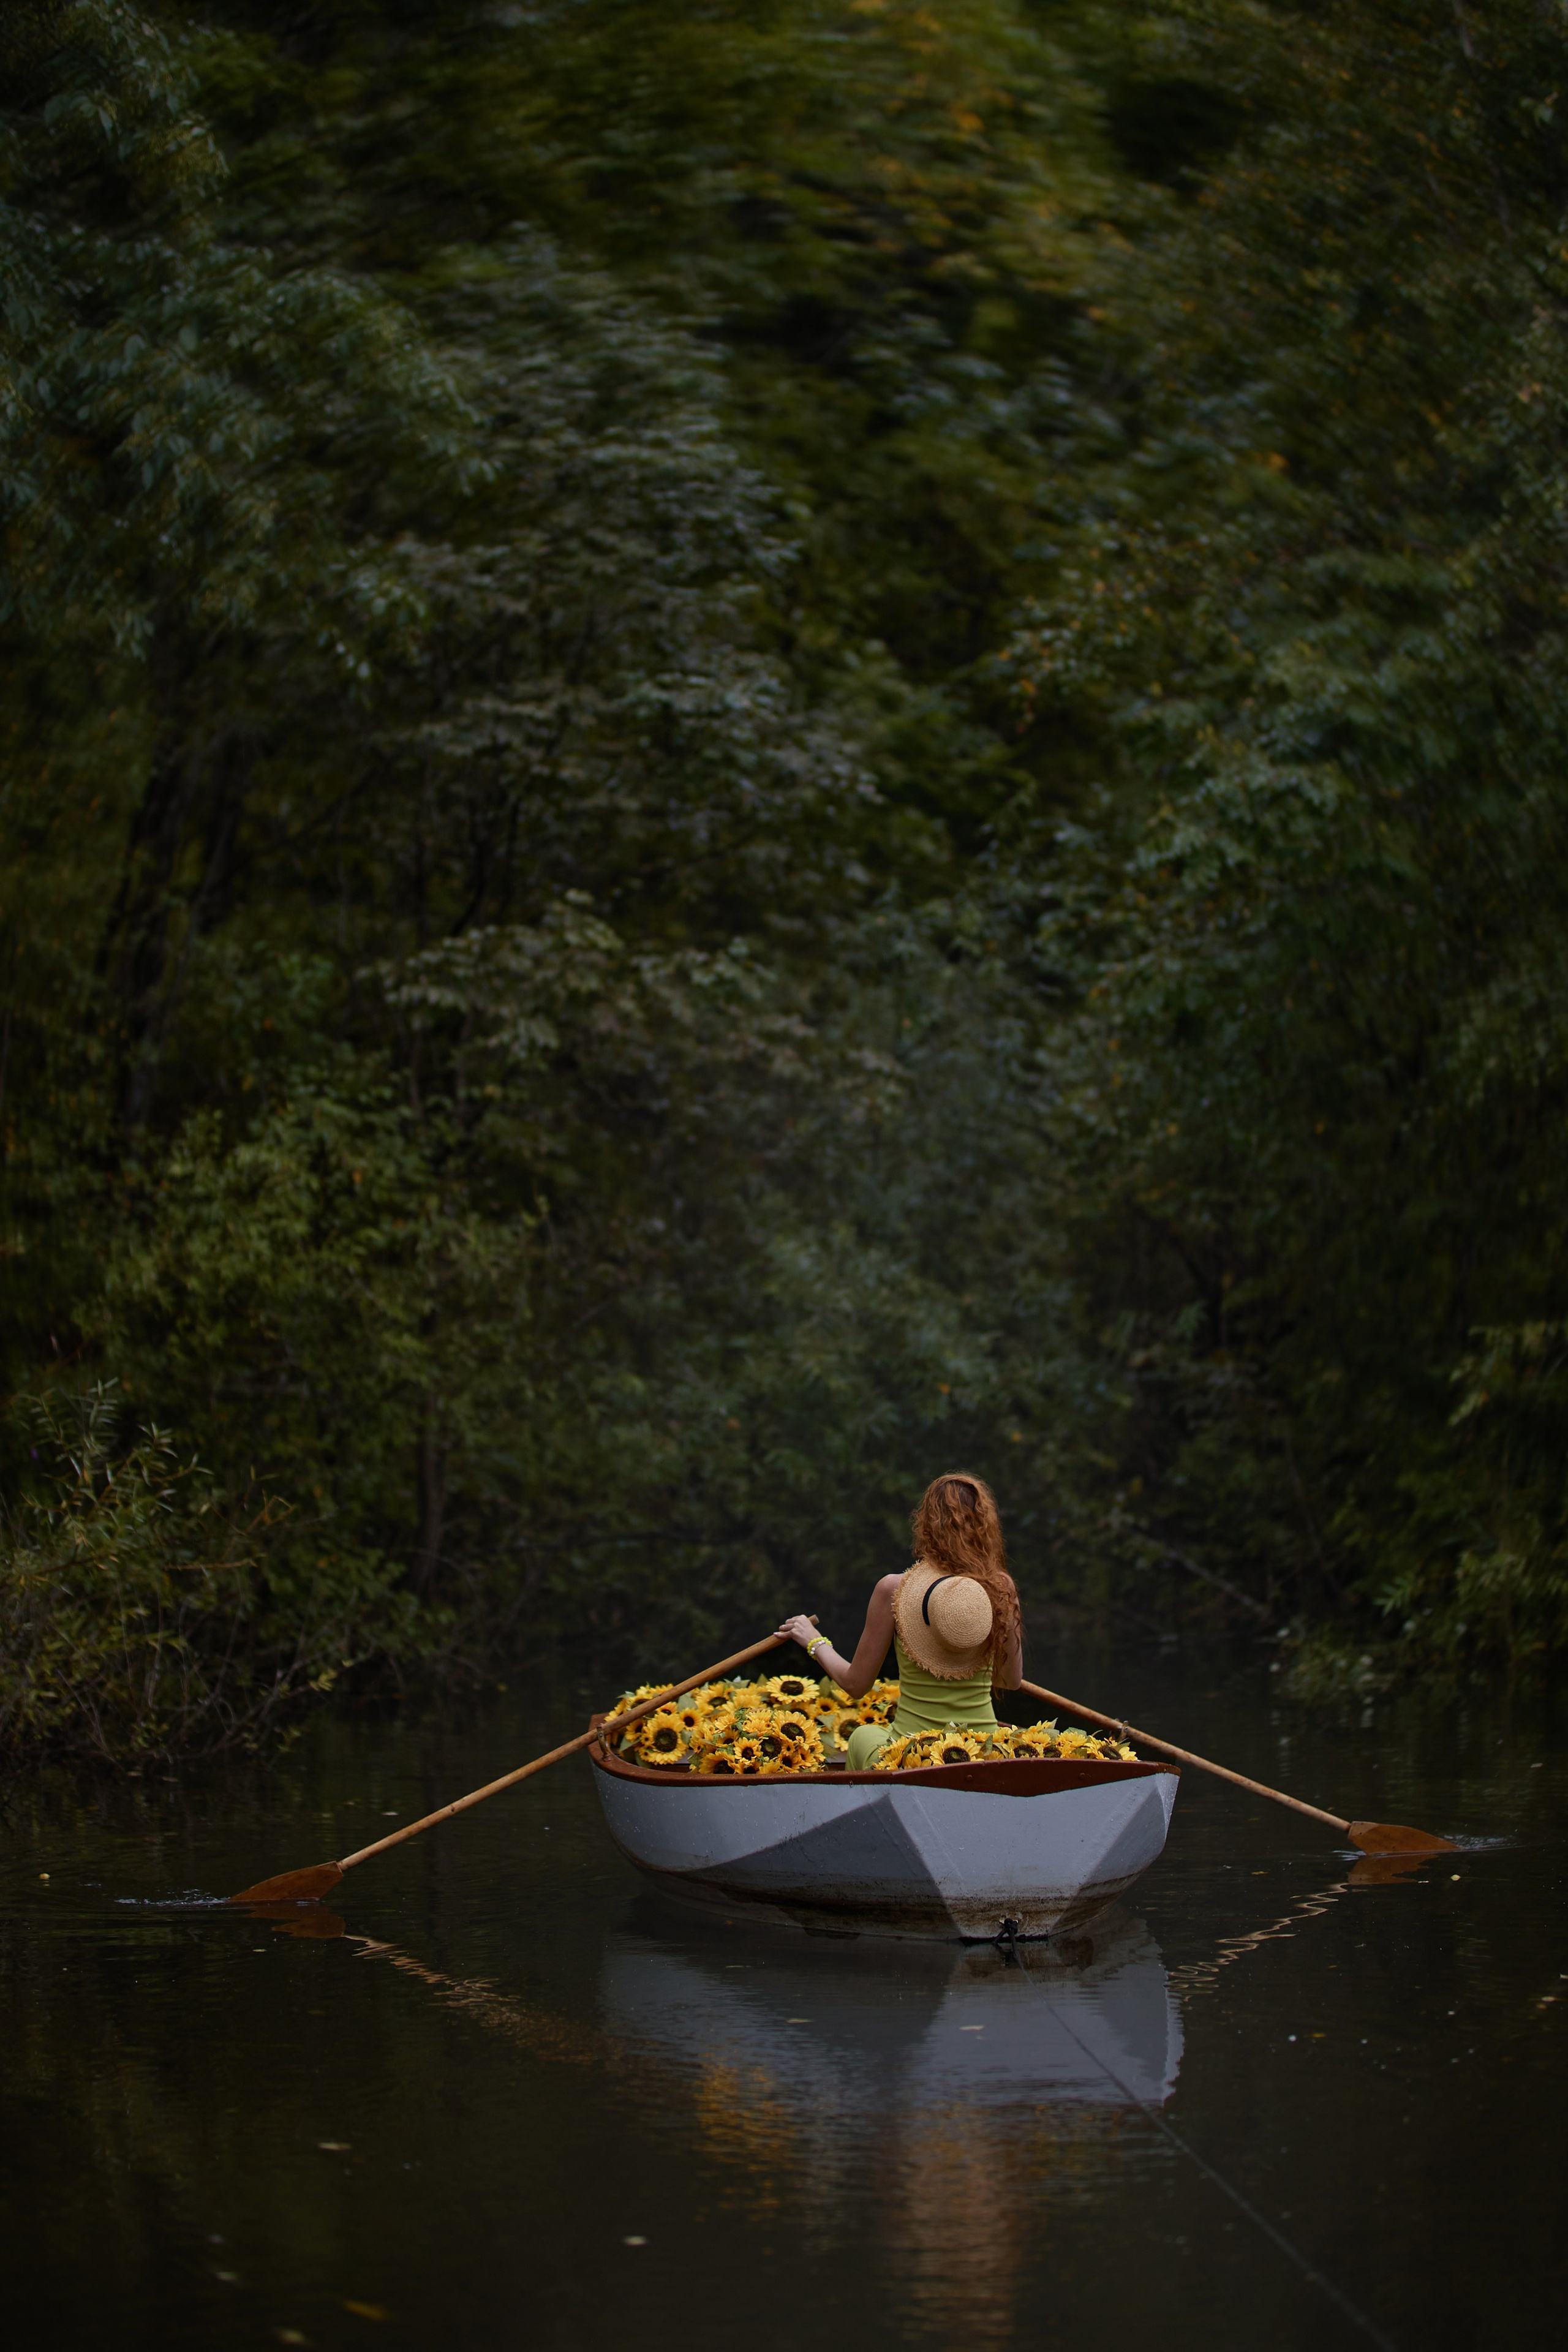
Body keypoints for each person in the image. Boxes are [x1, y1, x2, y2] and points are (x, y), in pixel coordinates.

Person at [776, 1471, 1023, 1770]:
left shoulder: (893, 1589)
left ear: (925, 1524)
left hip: (912, 1755)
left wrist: (813, 1641)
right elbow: (1009, 1681)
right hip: (984, 1751)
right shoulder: (1001, 1588)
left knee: (863, 1736)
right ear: (985, 1525)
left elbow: (856, 1685)